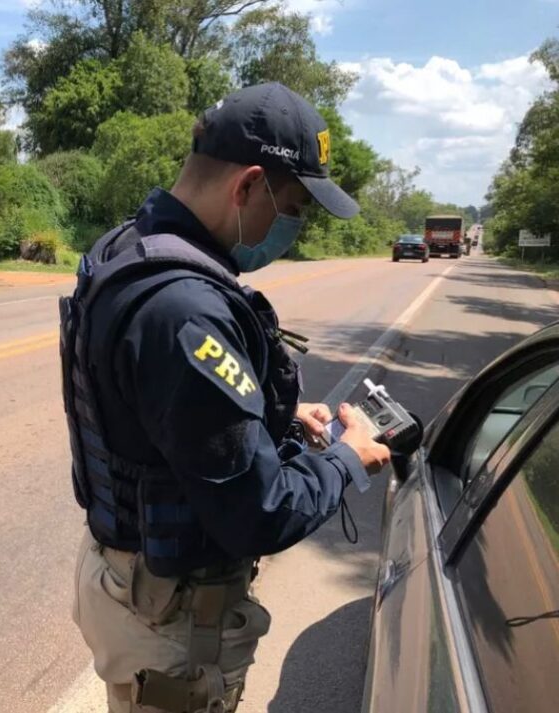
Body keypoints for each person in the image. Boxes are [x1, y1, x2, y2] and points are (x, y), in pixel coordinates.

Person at [59, 82, 391, 713]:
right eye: (292, 206)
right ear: (247, 187)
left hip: (127, 579)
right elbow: (259, 513)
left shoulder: (126, 246)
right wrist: (349, 459)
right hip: (173, 619)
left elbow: (151, 407)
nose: (292, 226)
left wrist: (276, 414)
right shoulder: (187, 310)